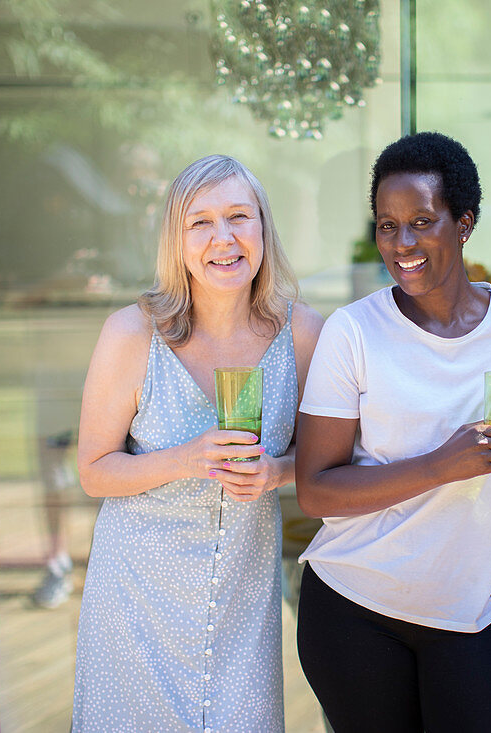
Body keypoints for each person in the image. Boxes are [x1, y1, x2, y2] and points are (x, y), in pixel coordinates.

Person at [293, 132, 491, 733]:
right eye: (387, 226)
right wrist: (443, 465)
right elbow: (315, 490)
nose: (403, 244)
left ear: (464, 224)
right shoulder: (353, 331)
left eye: (421, 221)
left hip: (474, 614)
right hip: (353, 609)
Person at [72, 154, 323, 732]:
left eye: (239, 216)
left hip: (241, 595)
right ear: (177, 241)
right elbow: (93, 471)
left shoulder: (304, 334)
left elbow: (323, 460)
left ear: (263, 228)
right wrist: (186, 457)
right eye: (201, 222)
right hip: (137, 599)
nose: (224, 238)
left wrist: (277, 472)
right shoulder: (132, 333)